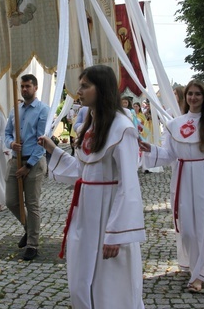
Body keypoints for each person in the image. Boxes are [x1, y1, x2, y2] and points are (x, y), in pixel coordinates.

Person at [38, 65, 146, 308]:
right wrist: (52, 150)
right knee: (80, 278)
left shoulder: (122, 128)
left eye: (86, 85)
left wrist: (116, 233)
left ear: (103, 89)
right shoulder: (90, 125)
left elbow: (129, 186)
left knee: (111, 282)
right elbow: (82, 171)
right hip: (86, 213)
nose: (80, 90)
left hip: (109, 216)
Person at [139, 80, 204, 292]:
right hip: (182, 178)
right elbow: (169, 155)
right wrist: (150, 149)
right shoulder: (175, 124)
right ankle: (193, 265)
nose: (193, 98)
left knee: (203, 227)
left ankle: (200, 275)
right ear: (185, 98)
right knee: (187, 230)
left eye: (197, 94)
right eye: (190, 94)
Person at [4, 74, 50, 261]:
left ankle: (33, 244)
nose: (24, 90)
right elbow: (7, 133)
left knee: (32, 204)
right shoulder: (15, 109)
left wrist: (29, 165)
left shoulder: (43, 110)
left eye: (27, 86)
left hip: (34, 162)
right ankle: (28, 228)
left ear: (35, 88)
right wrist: (11, 144)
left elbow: (42, 141)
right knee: (11, 201)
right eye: (22, 86)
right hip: (15, 160)